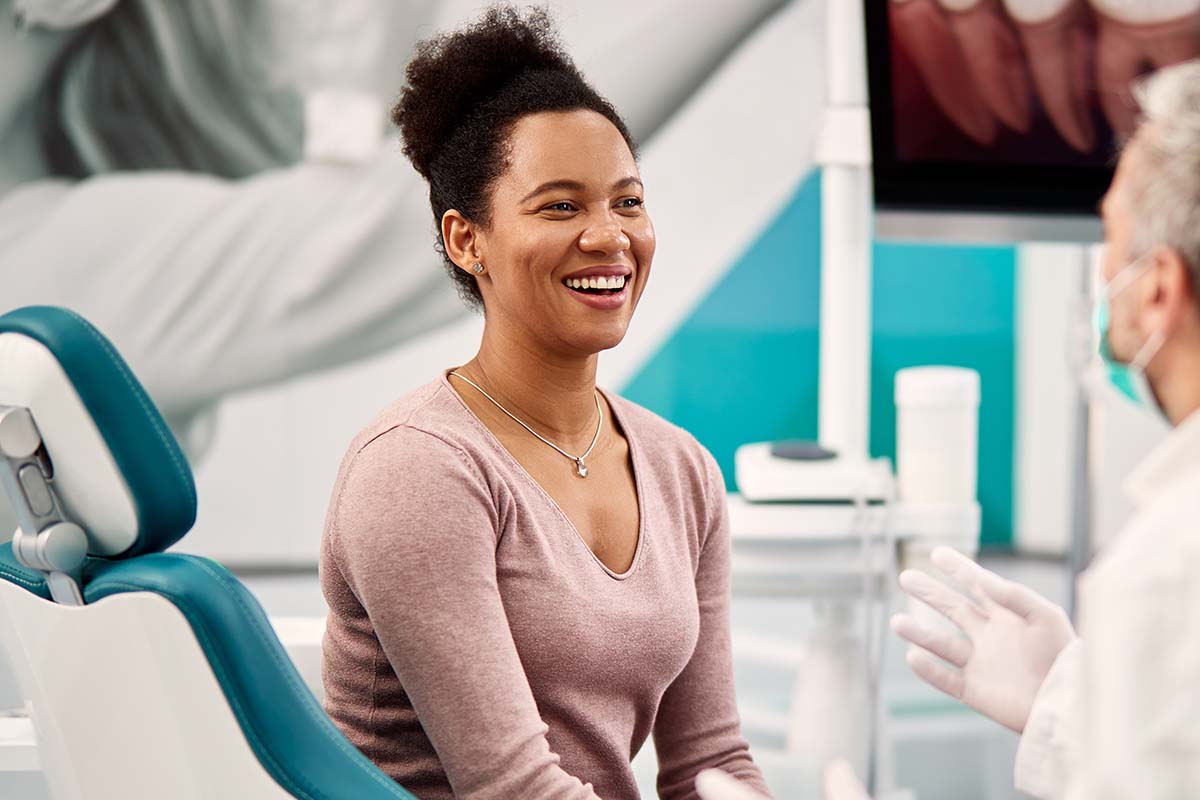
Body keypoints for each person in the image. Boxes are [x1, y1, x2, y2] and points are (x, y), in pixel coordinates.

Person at [319, 7, 770, 800]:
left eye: (627, 202)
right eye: (561, 206)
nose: (609, 236)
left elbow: (712, 763)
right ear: (468, 241)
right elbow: (513, 789)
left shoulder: (680, 469)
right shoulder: (418, 469)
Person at [893, 59, 1200, 799]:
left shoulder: (1167, 572)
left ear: (1157, 289)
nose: (1103, 279)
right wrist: (1070, 701)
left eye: (1111, 240)